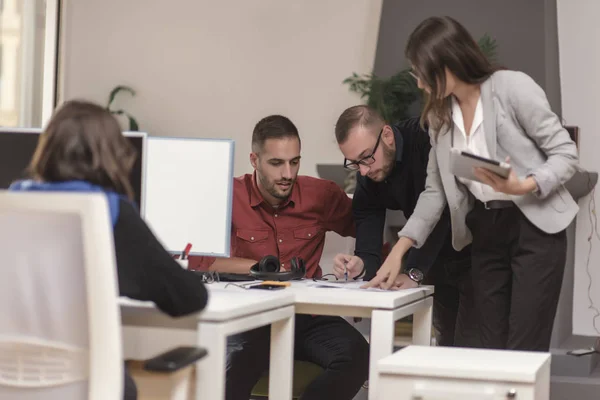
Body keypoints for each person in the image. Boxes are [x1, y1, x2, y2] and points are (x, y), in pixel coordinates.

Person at [366, 16, 579, 352]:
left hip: (534, 228)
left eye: (421, 73)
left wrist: (525, 185)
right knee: (485, 349)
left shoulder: (511, 88)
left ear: (445, 63)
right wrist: (400, 250)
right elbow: (435, 191)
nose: (419, 84)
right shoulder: (438, 118)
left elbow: (566, 154)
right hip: (485, 231)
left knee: (524, 351)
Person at [9, 100, 209, 399]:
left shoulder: (11, 205)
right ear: (112, 156)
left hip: (8, 379)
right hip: (85, 386)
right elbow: (188, 298)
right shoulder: (110, 211)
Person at [189, 115, 369, 400]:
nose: (287, 173)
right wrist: (256, 268)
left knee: (358, 355)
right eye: (276, 163)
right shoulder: (229, 195)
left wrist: (360, 263)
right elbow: (198, 261)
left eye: (294, 161)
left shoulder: (320, 195)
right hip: (250, 317)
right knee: (233, 364)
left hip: (306, 317)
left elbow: (369, 230)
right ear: (254, 159)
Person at [333, 105, 479, 347]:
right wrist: (362, 264)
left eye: (367, 157)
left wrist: (414, 270)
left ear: (387, 135)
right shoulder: (367, 170)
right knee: (448, 344)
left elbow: (440, 207)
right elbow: (367, 217)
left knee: (472, 347)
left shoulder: (425, 139)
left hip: (475, 249)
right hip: (436, 261)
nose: (364, 170)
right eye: (355, 162)